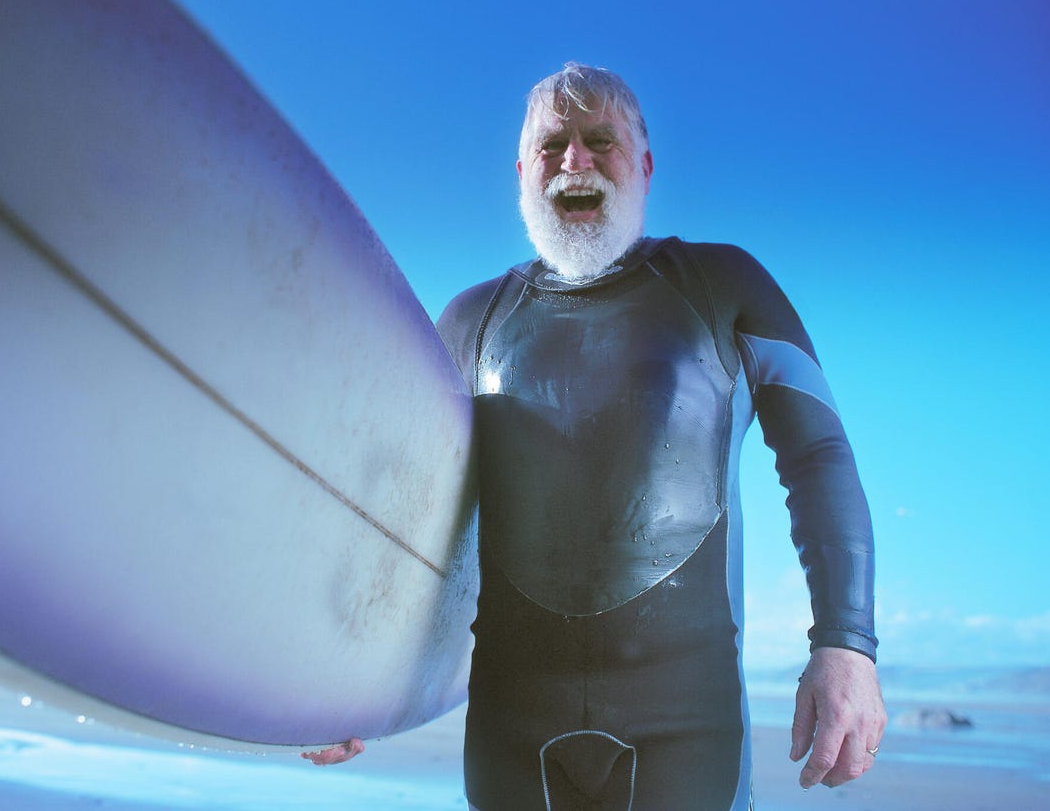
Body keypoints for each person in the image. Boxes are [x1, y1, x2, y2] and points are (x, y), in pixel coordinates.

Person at [305, 62, 886, 811]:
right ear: (521, 173)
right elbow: (405, 512)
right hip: (512, 730)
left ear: (643, 166)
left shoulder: (724, 286)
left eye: (599, 141)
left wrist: (845, 644)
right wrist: (355, 678)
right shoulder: (467, 323)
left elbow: (818, 457)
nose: (574, 161)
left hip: (688, 728)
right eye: (552, 146)